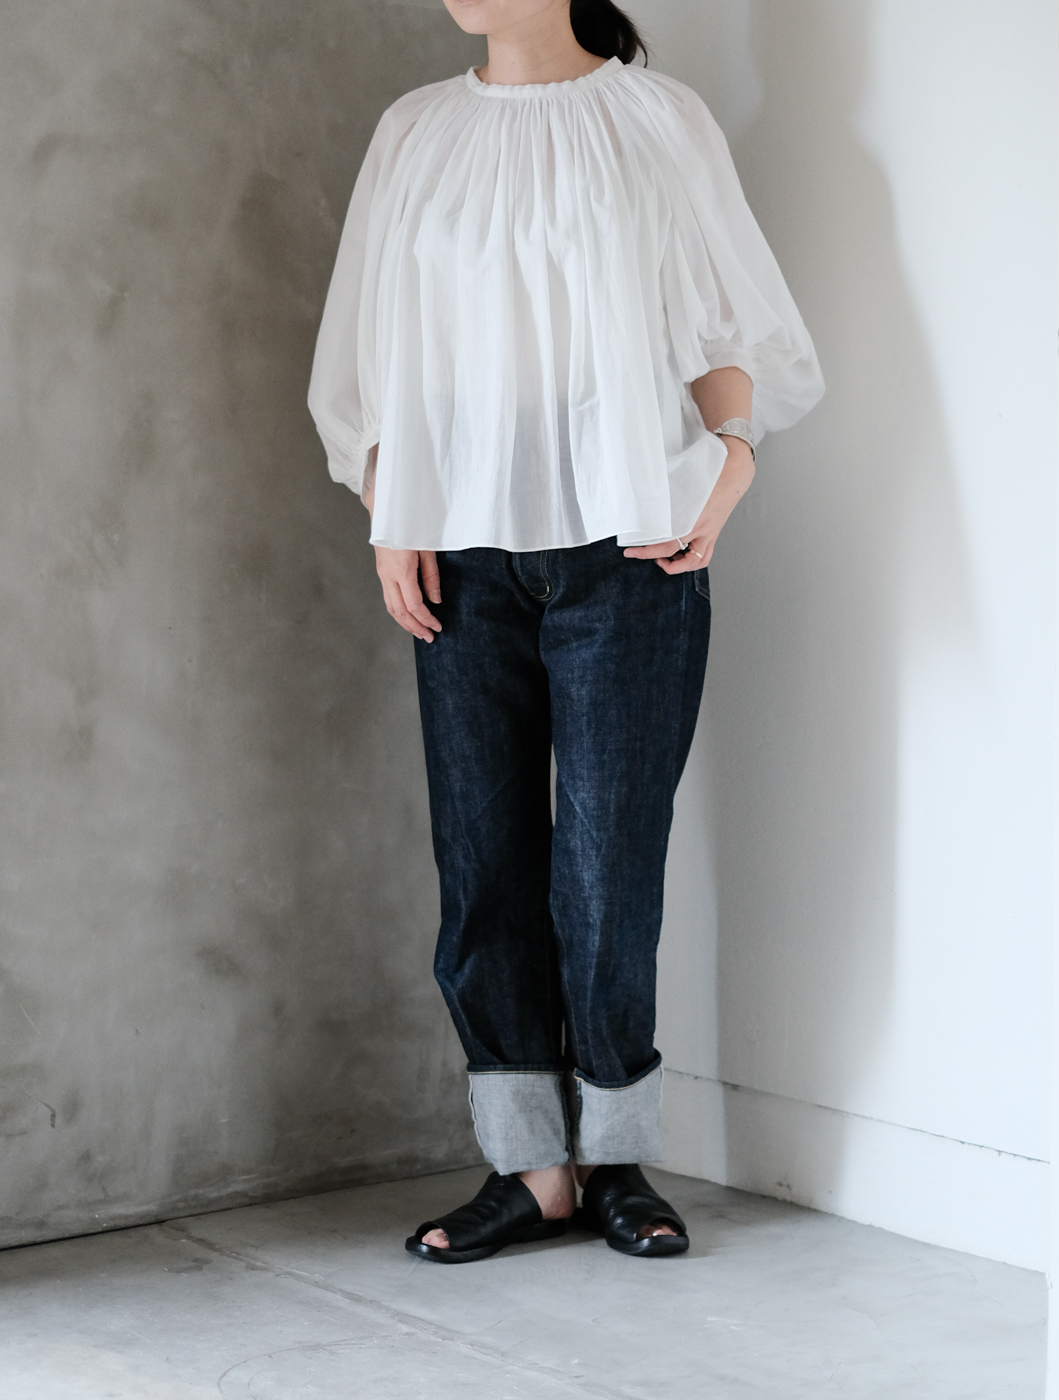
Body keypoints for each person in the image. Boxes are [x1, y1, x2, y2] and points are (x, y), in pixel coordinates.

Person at [309, 0, 823, 1264]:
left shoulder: (657, 118)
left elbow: (722, 318)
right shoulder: (414, 130)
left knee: (605, 872)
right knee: (483, 865)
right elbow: (370, 344)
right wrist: (388, 505)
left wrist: (732, 458)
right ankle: (528, 1167)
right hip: (458, 545)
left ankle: (613, 1157)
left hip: (628, 545)